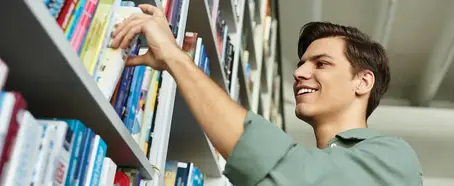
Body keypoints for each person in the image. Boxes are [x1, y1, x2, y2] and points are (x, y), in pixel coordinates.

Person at [110, 4, 423, 186]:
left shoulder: (394, 158)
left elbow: (288, 171)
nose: (299, 73)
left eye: (322, 63)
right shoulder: (317, 162)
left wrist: (175, 58)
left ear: (363, 82)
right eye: (301, 64)